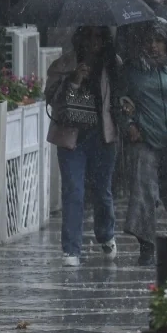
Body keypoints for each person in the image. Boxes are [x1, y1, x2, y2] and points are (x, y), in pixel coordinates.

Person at [45, 26, 120, 267]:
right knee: (73, 191)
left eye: (98, 36)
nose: (93, 42)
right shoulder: (64, 64)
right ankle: (71, 249)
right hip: (72, 137)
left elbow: (123, 94)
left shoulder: (113, 64)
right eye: (88, 36)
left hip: (102, 136)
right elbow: (51, 99)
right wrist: (74, 80)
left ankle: (106, 234)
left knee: (102, 191)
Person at [118, 18, 167, 266]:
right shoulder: (132, 70)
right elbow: (121, 99)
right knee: (143, 191)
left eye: (158, 40)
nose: (154, 46)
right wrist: (129, 124)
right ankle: (146, 244)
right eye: (149, 41)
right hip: (145, 139)